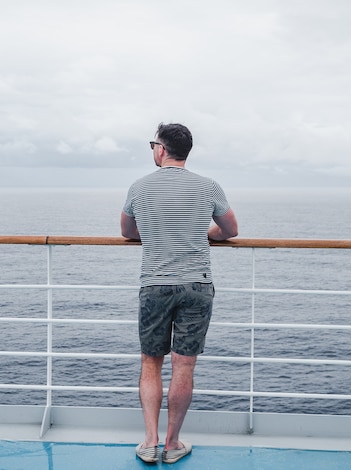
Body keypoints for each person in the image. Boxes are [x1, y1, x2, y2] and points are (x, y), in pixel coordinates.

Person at [121, 123, 239, 464]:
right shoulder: (207, 186)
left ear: (160, 149)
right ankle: (173, 444)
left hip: (155, 284)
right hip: (197, 285)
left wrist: (158, 229)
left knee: (151, 362)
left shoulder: (139, 187)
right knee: (184, 366)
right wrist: (204, 234)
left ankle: (149, 442)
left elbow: (128, 231)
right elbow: (230, 230)